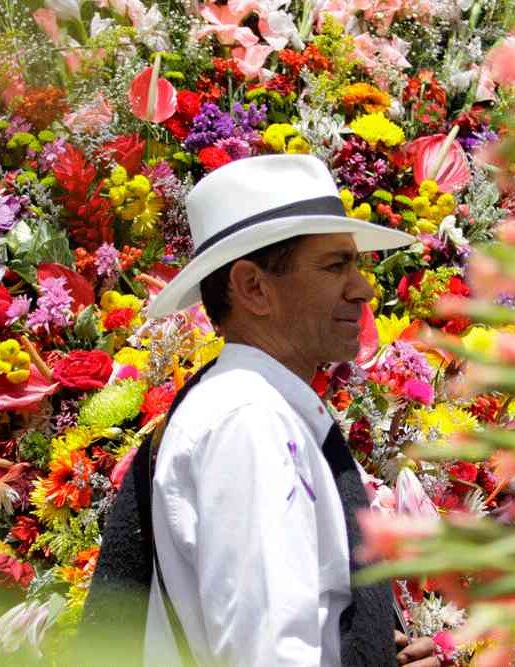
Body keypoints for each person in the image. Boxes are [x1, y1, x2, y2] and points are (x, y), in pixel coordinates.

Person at [85, 154, 440, 666]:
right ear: (253, 287)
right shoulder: (250, 421)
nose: (362, 288)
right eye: (336, 265)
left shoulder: (252, 409)